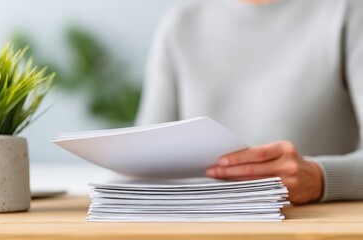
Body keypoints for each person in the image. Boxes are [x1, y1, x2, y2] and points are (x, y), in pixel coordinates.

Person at [136, 0, 363, 204]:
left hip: (306, 228)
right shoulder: (180, 22)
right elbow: (140, 159)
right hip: (195, 224)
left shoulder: (347, 11)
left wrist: (320, 178)